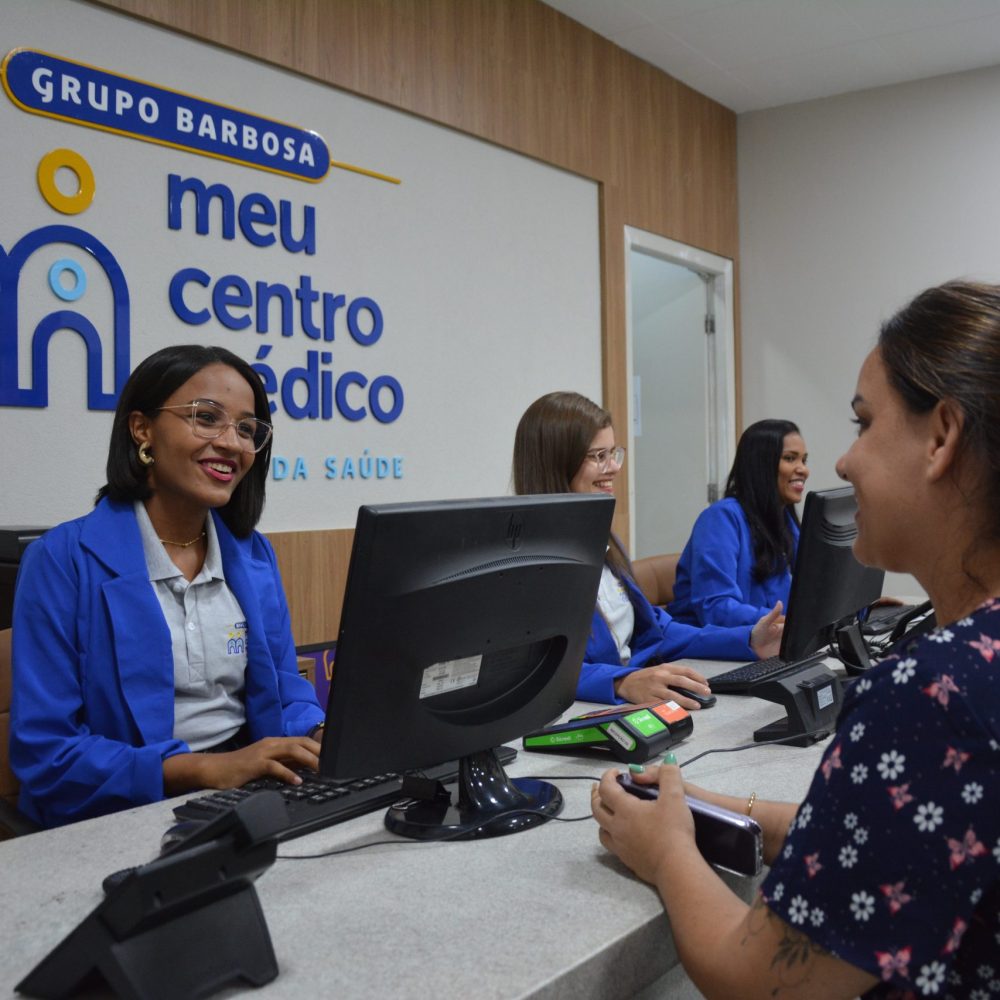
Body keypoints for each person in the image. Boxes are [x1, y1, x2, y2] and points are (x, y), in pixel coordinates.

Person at [591, 280, 1000, 999]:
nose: (842, 464)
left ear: (941, 437)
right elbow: (888, 837)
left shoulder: (933, 697)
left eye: (863, 424)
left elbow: (759, 982)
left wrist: (667, 851)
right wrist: (720, 810)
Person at [10, 344, 325, 828]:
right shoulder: (60, 559)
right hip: (118, 810)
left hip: (247, 793)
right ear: (142, 429)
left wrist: (318, 731)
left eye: (246, 428)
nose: (232, 443)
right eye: (206, 417)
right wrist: (207, 768)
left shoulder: (252, 554)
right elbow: (49, 751)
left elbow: (284, 692)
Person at [512, 392, 783, 709]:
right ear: (555, 465)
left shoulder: (602, 544)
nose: (613, 467)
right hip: (579, 714)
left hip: (625, 702)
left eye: (614, 453)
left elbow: (658, 630)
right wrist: (620, 681)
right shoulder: (525, 567)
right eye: (598, 455)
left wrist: (748, 639)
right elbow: (528, 671)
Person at [669, 419, 808, 627]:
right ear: (761, 465)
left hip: (768, 643)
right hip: (708, 650)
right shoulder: (721, 518)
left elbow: (810, 589)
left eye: (804, 460)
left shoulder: (786, 520)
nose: (803, 470)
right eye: (790, 459)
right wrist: (786, 625)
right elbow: (716, 608)